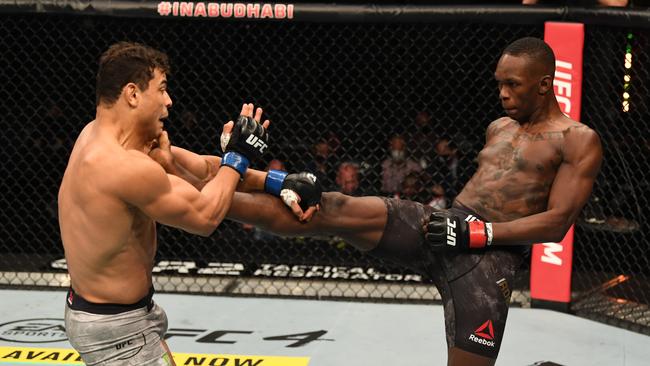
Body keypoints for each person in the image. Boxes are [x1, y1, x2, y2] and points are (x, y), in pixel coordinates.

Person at [191, 37, 601, 366]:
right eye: (499, 83)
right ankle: (216, 188)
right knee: (327, 207)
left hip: (488, 256)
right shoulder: (499, 127)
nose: (503, 93)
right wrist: (460, 226)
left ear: (545, 84)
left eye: (513, 84)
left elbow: (558, 222)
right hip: (443, 226)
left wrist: (479, 233)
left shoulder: (577, 139)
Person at [58, 42, 317, 366]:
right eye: (162, 89)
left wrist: (275, 181)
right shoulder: (119, 166)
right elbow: (205, 215)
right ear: (132, 94)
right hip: (118, 332)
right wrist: (238, 156)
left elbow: (201, 169)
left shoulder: (101, 136)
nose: (169, 101)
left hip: (115, 316)